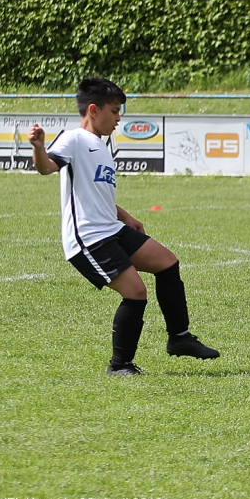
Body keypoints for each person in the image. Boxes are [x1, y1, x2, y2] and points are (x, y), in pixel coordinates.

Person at [28, 77, 219, 377]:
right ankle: (119, 365)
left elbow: (96, 193)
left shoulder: (101, 145)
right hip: (89, 238)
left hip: (112, 229)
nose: (119, 118)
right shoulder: (74, 139)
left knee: (167, 263)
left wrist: (125, 216)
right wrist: (39, 148)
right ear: (94, 110)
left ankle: (179, 338)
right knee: (136, 292)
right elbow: (46, 168)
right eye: (115, 111)